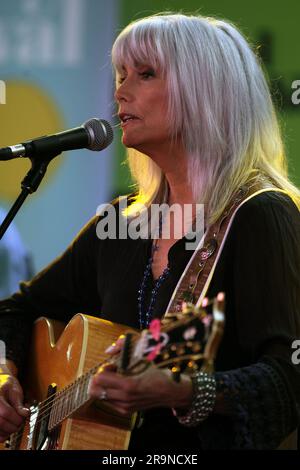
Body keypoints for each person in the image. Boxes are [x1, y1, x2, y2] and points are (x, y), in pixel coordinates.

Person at [0, 13, 299, 450]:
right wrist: (5, 373)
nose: (120, 91)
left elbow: (287, 380)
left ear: (205, 93)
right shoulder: (121, 224)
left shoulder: (260, 215)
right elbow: (13, 311)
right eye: (121, 75)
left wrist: (183, 390)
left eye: (145, 74)